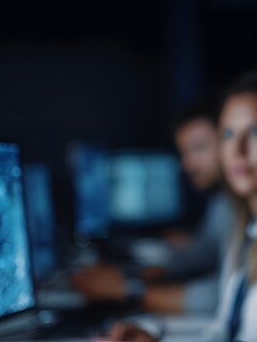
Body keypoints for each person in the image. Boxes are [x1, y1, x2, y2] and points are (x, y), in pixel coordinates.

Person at [108, 72, 257, 342]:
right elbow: (224, 332)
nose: (238, 150)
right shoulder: (248, 229)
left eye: (256, 132)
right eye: (229, 134)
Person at [72, 98, 234, 314]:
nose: (186, 165)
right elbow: (204, 252)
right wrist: (134, 274)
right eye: (183, 152)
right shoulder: (223, 202)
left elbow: (228, 296)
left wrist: (129, 289)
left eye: (198, 148)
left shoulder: (241, 204)